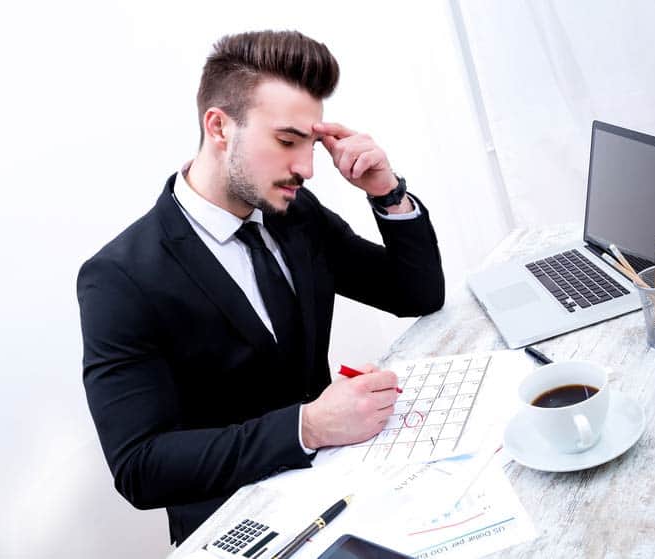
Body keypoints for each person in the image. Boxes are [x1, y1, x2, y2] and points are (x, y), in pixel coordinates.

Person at [77, 30, 444, 545]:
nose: (308, 168)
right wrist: (307, 426)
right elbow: (140, 466)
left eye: (312, 145)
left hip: (345, 488)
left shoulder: (296, 214)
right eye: (288, 141)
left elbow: (417, 294)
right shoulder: (121, 277)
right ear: (219, 126)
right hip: (236, 523)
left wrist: (386, 191)